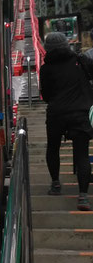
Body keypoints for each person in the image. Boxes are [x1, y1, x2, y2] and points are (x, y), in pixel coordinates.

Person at [39, 31, 93, 211]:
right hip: (80, 113)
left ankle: (55, 184)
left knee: (53, 148)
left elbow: (45, 95)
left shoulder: (46, 69)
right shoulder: (80, 61)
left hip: (57, 114)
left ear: (48, 49)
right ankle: (83, 196)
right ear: (66, 44)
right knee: (82, 154)